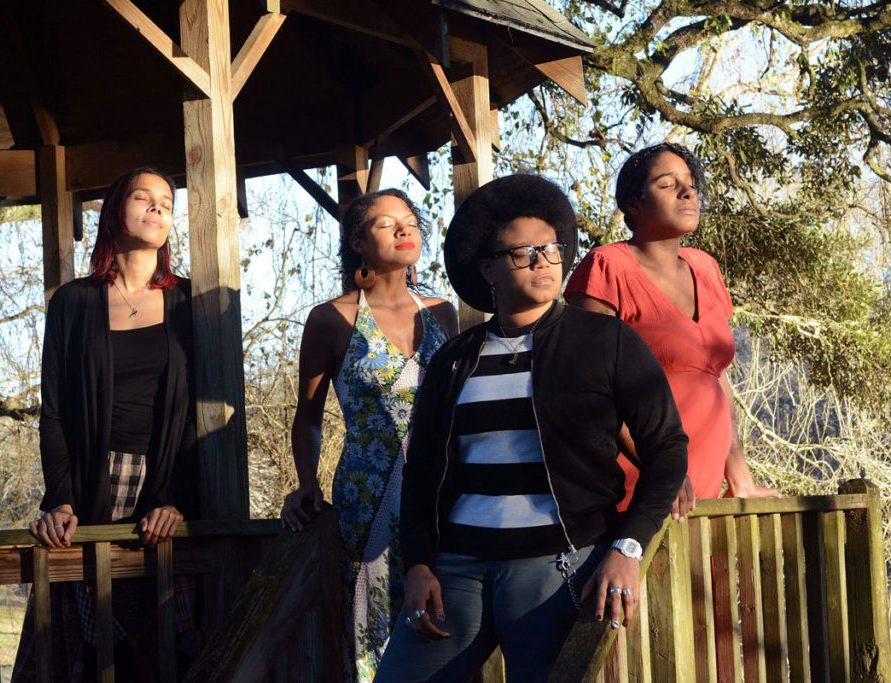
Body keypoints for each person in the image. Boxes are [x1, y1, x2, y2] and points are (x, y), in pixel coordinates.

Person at [374, 174, 688, 682]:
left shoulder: (604, 340)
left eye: (550, 249)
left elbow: (668, 448)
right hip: (455, 571)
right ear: (488, 269)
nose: (543, 261)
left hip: (558, 568)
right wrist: (418, 566)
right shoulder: (456, 358)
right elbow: (423, 470)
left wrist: (627, 547)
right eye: (524, 253)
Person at [12, 167, 198, 682]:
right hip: (91, 488)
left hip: (162, 492)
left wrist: (173, 497)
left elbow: (197, 414)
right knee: (85, 655)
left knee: (163, 649)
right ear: (117, 210)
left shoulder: (188, 301)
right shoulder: (73, 301)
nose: (159, 207)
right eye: (145, 197)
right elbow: (54, 412)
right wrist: (62, 500)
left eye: (167, 201)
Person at [280, 189, 458, 681]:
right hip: (369, 494)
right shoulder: (331, 319)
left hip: (443, 491)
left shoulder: (443, 312)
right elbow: (309, 415)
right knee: (373, 627)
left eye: (410, 220)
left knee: (449, 616)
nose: (404, 229)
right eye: (386, 223)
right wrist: (306, 481)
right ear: (358, 241)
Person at [565, 143, 779, 518]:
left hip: (705, 479)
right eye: (667, 184)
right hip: (636, 478)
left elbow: (718, 376)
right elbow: (589, 386)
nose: (688, 191)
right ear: (634, 203)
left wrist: (737, 467)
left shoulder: (706, 268)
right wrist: (658, 464)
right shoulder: (606, 267)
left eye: (690, 183)